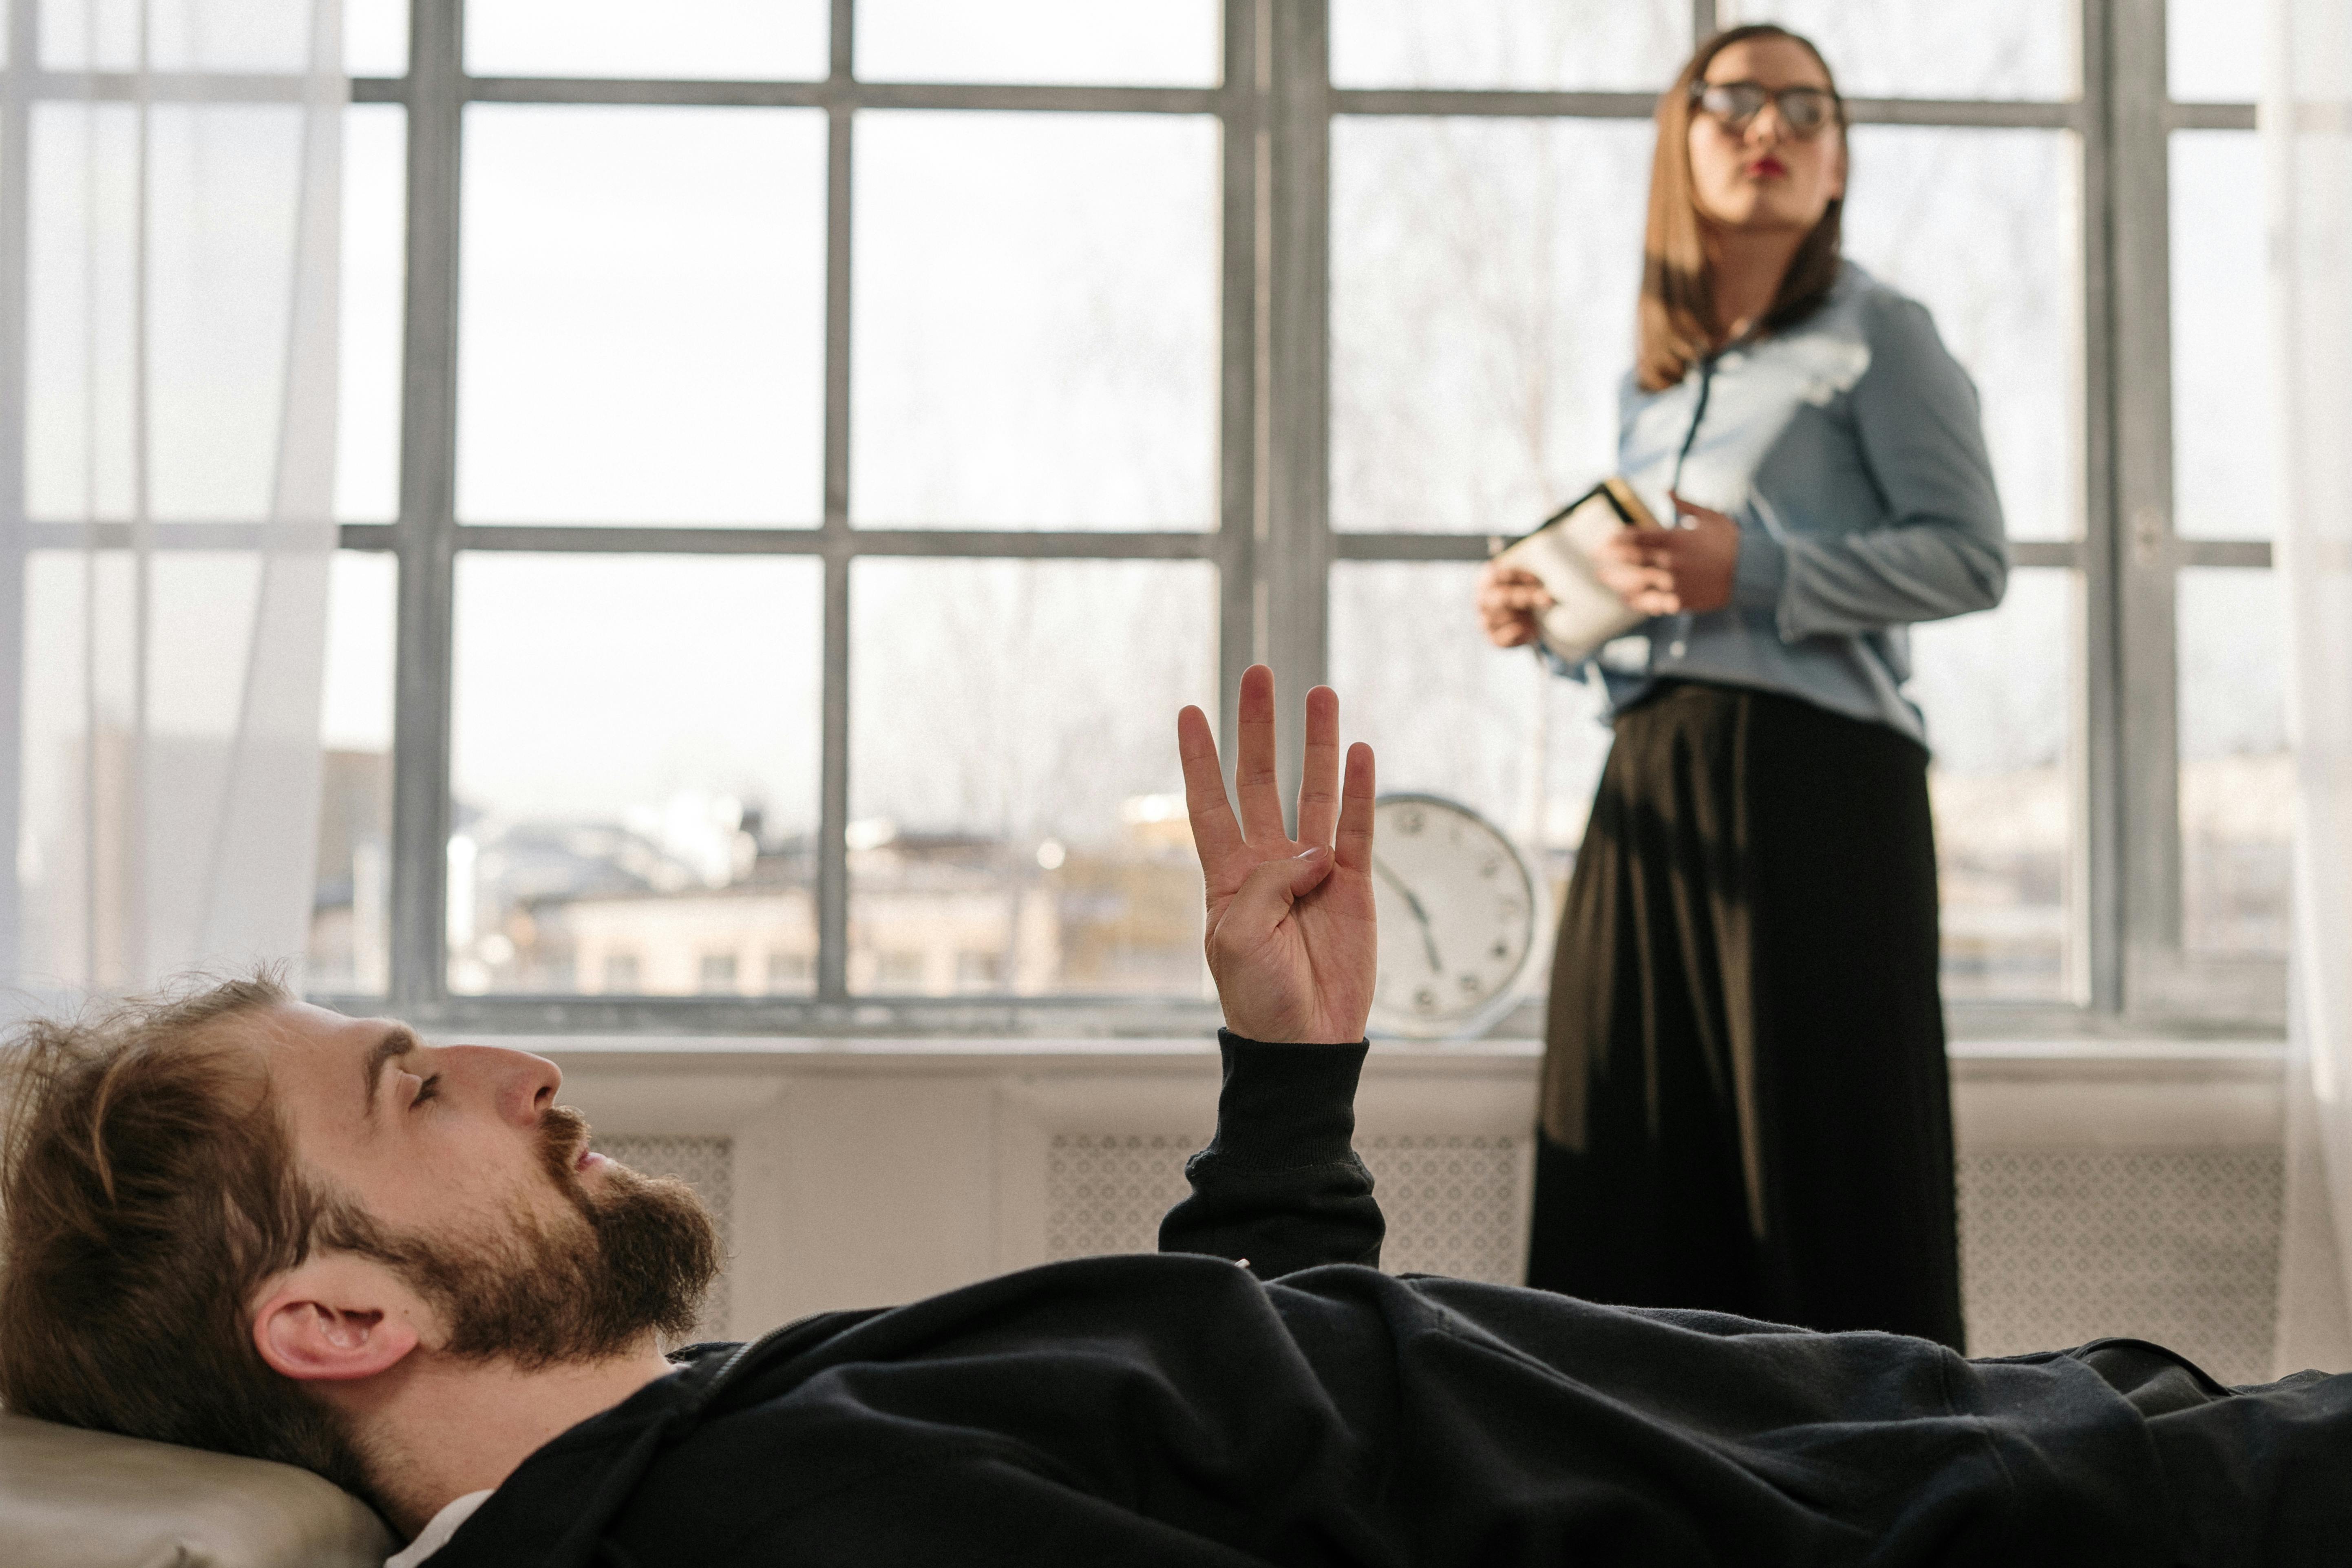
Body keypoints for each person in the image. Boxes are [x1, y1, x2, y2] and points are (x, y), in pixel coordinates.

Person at [2, 669, 2345, 1568]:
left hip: (2041, 1461)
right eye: (419, 1090)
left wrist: (1286, 1077)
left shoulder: (722, 1434)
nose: (519, 1064)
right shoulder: (757, 1530)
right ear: (330, 1313)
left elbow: (1259, 1425)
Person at [1477, 24, 2005, 1347]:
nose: (1768, 127)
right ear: (1681, 140)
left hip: (1818, 792)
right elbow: (1663, 603)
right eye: (1733, 102)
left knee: (1822, 1188)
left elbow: (1969, 559)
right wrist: (1555, 616)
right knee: (1623, 1170)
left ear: (1836, 166)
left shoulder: (1881, 332)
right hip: (1649, 788)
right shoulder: (1650, 387)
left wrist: (1753, 571)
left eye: (1804, 109)